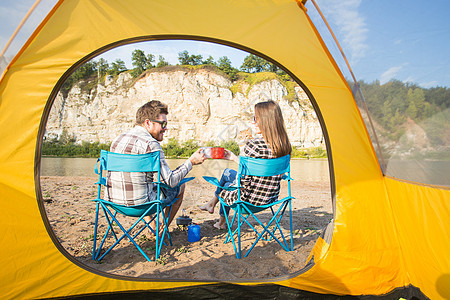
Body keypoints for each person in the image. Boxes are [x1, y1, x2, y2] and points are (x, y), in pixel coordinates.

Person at [106, 100, 206, 231]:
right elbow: (170, 181)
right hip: (141, 205)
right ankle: (163, 228)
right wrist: (190, 162)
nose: (165, 128)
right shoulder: (151, 145)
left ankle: (152, 225)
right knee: (180, 184)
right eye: (163, 123)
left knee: (144, 184)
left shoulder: (117, 140)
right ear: (148, 122)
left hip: (113, 202)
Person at [200, 100, 291, 229]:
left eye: (256, 118)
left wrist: (229, 186)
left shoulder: (254, 146)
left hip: (249, 201)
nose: (253, 121)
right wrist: (234, 158)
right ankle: (214, 210)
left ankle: (221, 221)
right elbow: (271, 172)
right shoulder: (285, 146)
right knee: (227, 172)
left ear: (265, 121)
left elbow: (243, 183)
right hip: (270, 198)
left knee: (226, 184)